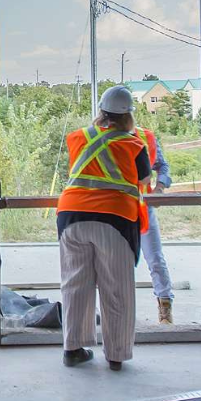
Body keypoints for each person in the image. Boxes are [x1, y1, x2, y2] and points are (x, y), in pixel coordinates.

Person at [57, 85, 152, 371]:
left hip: (71, 217)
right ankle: (116, 354)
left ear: (101, 112)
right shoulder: (134, 144)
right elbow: (144, 180)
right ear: (128, 116)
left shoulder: (79, 137)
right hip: (114, 220)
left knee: (75, 284)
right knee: (116, 288)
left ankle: (73, 348)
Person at [135, 123, 175, 324]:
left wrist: (159, 188)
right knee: (118, 263)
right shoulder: (104, 137)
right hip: (114, 208)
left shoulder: (145, 136)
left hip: (142, 206)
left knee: (155, 258)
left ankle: (165, 307)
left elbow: (162, 166)